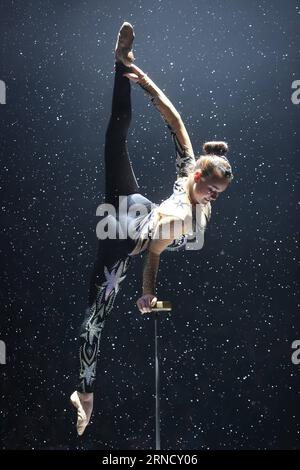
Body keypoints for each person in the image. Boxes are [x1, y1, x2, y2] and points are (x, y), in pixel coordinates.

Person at [70, 22, 234, 436]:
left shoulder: (191, 216)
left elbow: (155, 253)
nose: (213, 196)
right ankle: (120, 64)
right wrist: (141, 79)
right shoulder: (188, 171)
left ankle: (84, 395)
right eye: (210, 188)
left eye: (218, 193)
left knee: (93, 321)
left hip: (126, 244)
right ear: (197, 174)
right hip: (132, 208)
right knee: (115, 138)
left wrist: (146, 292)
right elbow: (175, 119)